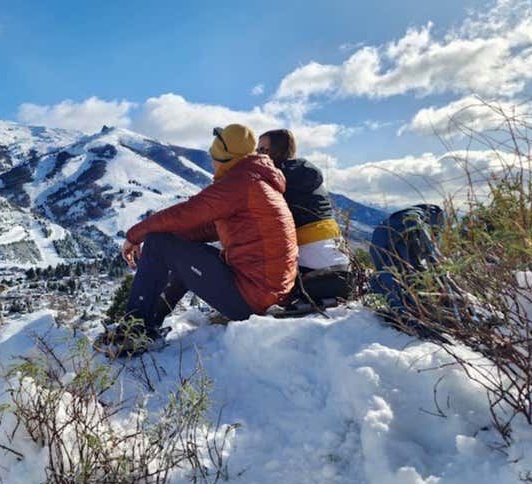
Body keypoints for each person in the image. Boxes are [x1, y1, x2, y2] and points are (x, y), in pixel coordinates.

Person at [100, 124, 298, 355]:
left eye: (213, 157)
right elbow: (209, 229)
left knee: (157, 243)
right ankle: (147, 324)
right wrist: (173, 244)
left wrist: (135, 235)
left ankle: (133, 331)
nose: (211, 163)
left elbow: (184, 214)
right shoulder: (255, 181)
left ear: (224, 159)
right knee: (176, 250)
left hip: (251, 297)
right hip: (266, 291)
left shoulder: (239, 184)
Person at [257, 129, 351, 310]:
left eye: (262, 150)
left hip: (313, 271)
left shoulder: (276, 178)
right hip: (340, 265)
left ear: (277, 150)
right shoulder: (307, 174)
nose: (258, 155)